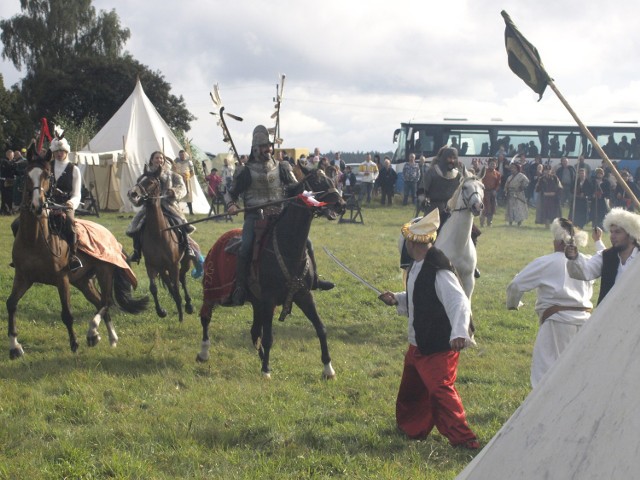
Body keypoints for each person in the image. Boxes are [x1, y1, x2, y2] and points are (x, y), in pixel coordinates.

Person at [378, 209, 479, 449]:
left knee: (440, 392)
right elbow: (419, 296)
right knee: (411, 391)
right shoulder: (418, 265)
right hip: (418, 345)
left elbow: (459, 302)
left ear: (414, 242)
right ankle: (412, 428)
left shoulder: (438, 270)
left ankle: (465, 439)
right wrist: (398, 299)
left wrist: (458, 333)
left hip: (437, 347)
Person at [225, 125, 334, 305]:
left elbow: (293, 187)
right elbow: (230, 192)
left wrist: (308, 182)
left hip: (279, 215)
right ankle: (241, 287)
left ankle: (314, 280)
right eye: (264, 146)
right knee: (245, 248)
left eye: (269, 146)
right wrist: (231, 204)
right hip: (255, 216)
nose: (268, 149)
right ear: (255, 149)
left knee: (307, 242)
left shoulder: (281, 166)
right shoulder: (245, 171)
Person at [507, 218, 604, 387]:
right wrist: (598, 242)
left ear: (557, 242)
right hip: (585, 322)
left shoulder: (546, 262)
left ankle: (544, 410)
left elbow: (516, 285)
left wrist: (512, 303)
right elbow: (604, 258)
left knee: (545, 373)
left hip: (557, 323)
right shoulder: (587, 261)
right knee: (577, 372)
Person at [126, 151, 203, 276]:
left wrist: (173, 192)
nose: (159, 160)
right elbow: (138, 191)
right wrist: (133, 195)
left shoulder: (173, 175)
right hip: (149, 209)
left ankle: (188, 248)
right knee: (137, 227)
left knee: (180, 224)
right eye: (156, 158)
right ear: (152, 160)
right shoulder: (144, 177)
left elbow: (182, 189)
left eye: (161, 158)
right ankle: (137, 251)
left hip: (169, 207)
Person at [565, 208, 640, 305]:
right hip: (609, 314)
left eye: (617, 232)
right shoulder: (606, 256)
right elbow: (585, 272)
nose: (612, 236)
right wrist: (574, 258)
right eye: (611, 232)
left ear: (630, 235)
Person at [49, 138, 84, 271]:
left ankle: (73, 257)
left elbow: (77, 193)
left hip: (66, 204)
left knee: (69, 222)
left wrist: (71, 202)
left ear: (66, 151)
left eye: (62, 151)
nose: (59, 154)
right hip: (48, 203)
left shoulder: (74, 169)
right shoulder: (48, 166)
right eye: (57, 151)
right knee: (20, 223)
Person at [535, 164, 563, 228]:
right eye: (546, 170)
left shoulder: (555, 178)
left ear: (551, 171)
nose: (547, 171)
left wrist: (555, 193)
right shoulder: (541, 179)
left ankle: (554, 226)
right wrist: (539, 183)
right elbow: (537, 189)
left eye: (549, 170)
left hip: (553, 198)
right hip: (545, 198)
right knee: (546, 212)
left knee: (554, 212)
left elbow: (560, 188)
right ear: (544, 171)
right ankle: (546, 225)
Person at [480, 158, 501, 227]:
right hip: (484, 192)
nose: (493, 165)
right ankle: (482, 223)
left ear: (496, 165)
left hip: (492, 193)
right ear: (488, 164)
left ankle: (489, 223)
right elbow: (480, 180)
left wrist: (495, 190)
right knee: (484, 208)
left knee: (491, 208)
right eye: (491, 164)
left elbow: (498, 184)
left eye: (494, 164)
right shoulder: (484, 172)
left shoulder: (497, 174)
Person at [173, 150, 195, 215]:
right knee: (177, 194)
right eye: (180, 155)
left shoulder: (189, 162)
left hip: (186, 180)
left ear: (185, 155)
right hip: (178, 180)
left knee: (188, 195)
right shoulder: (176, 161)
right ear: (179, 155)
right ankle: (176, 210)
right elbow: (173, 170)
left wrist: (187, 177)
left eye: (183, 154)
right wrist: (178, 175)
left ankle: (191, 211)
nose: (182, 156)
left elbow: (192, 172)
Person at [1, 149, 16, 215]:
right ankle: (6, 210)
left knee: (8, 196)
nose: (13, 157)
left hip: (8, 180)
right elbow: (8, 167)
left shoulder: (10, 162)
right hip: (5, 181)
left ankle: (6, 209)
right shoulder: (4, 161)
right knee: (6, 196)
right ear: (9, 155)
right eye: (13, 155)